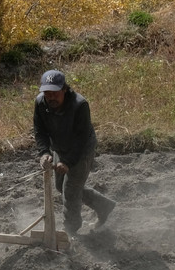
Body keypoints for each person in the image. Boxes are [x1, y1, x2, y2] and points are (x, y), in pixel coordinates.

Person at [32, 69, 115, 235]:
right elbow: (39, 130)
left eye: (55, 93)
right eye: (47, 93)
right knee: (60, 186)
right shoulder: (40, 103)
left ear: (64, 89)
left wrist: (68, 162)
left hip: (82, 150)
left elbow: (81, 138)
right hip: (60, 147)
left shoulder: (79, 105)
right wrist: (44, 153)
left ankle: (71, 231)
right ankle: (103, 205)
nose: (51, 97)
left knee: (70, 190)